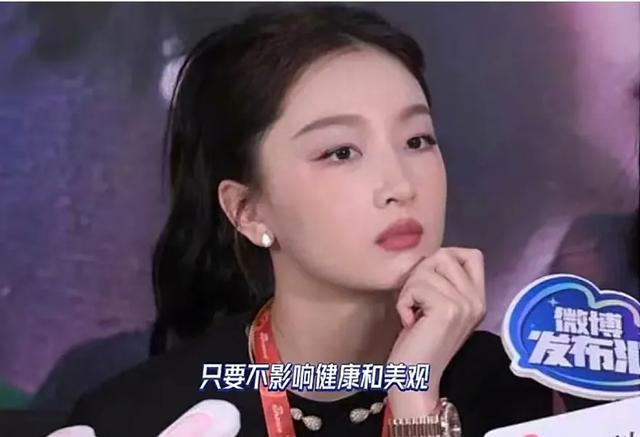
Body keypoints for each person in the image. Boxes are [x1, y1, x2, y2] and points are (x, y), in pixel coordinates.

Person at [60, 5, 552, 436]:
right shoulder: (148, 416)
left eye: (417, 140)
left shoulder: (522, 392)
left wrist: (414, 394)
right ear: (247, 210)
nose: (401, 186)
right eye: (341, 152)